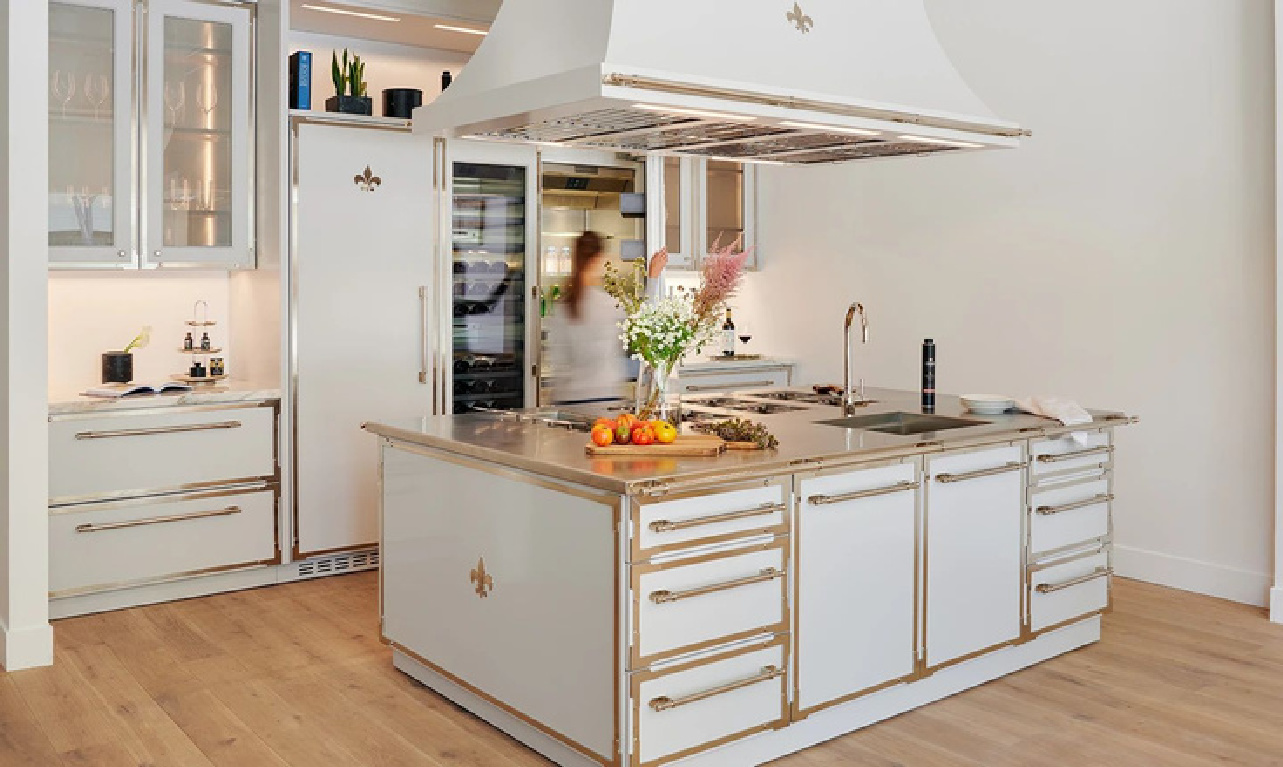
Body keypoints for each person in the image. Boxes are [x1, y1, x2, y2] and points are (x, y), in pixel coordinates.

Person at [548, 232, 666, 406]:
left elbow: (558, 359)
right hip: (603, 398)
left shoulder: (562, 306)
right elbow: (642, 324)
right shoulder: (608, 305)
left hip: (566, 400)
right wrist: (653, 277)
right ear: (598, 259)